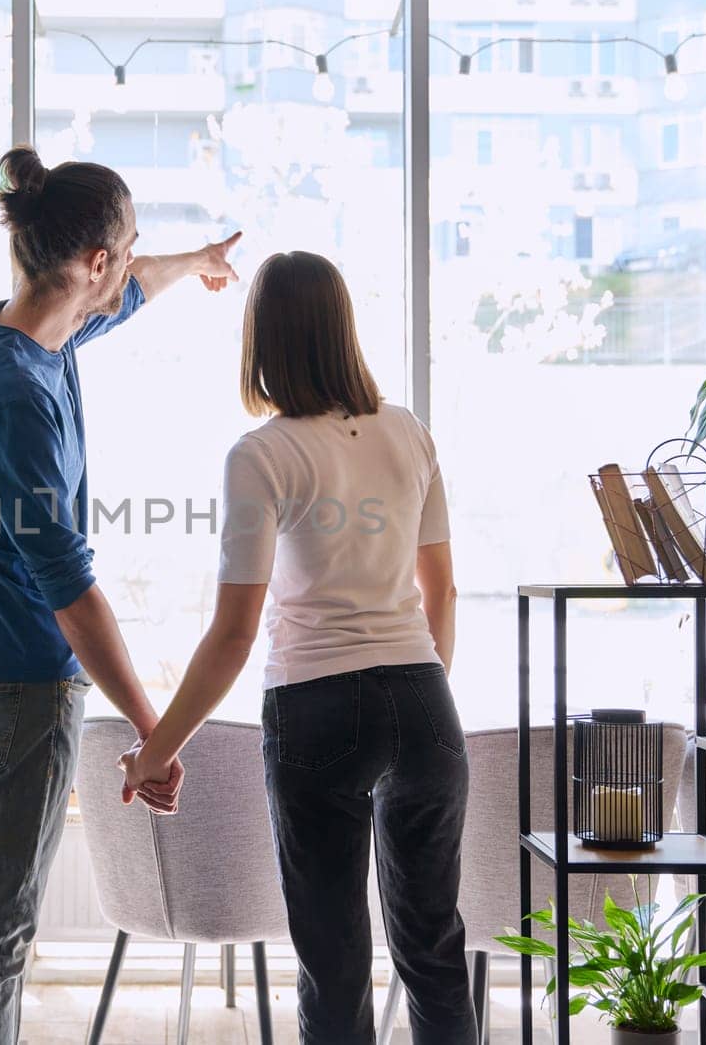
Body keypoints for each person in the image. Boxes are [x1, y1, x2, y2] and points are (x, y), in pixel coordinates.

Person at [120, 251, 476, 1044]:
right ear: (342, 330)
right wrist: (412, 700)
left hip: (317, 707)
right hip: (424, 697)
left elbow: (235, 633)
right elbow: (442, 589)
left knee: (335, 961)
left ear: (264, 343)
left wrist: (155, 751)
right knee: (434, 950)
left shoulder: (262, 456)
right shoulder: (409, 432)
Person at [0, 145, 243, 1045]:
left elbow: (133, 281)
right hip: (19, 681)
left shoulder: (19, 334)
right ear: (91, 263)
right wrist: (154, 729)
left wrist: (196, 264)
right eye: (129, 247)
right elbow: (72, 592)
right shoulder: (16, 393)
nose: (136, 262)